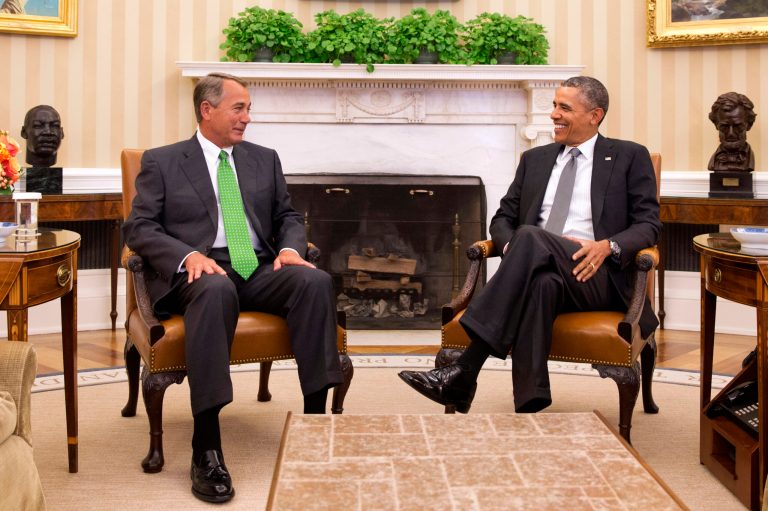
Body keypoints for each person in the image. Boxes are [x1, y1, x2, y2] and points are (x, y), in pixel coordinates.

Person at [122, 72, 344, 504]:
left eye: (249, 109)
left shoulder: (264, 159)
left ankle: (315, 428)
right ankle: (206, 446)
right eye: (238, 108)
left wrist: (290, 249)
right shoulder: (163, 161)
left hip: (257, 266)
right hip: (198, 272)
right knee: (215, 290)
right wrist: (188, 256)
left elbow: (287, 216)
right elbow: (139, 227)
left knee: (314, 281)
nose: (247, 118)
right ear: (207, 110)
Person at [398, 76, 661, 415]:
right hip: (540, 267)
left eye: (564, 107)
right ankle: (530, 401)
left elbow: (649, 225)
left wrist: (607, 246)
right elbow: (502, 219)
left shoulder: (628, 156)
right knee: (540, 280)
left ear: (595, 115)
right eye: (554, 105)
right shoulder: (535, 159)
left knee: (529, 236)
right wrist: (514, 248)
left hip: (596, 274)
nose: (554, 114)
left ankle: (466, 368)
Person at [707, 92, 756, 173]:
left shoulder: (749, 159)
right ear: (716, 125)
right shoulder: (714, 161)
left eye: (738, 126)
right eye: (724, 126)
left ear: (749, 125)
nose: (731, 133)